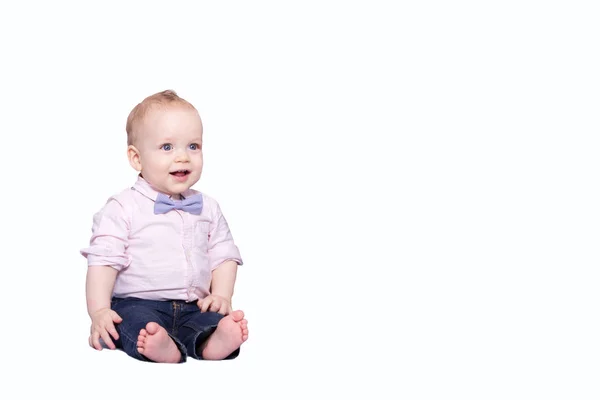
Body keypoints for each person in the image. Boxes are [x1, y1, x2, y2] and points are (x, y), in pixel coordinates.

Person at [80, 90, 248, 363]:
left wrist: (221, 295)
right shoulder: (123, 207)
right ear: (137, 158)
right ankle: (161, 346)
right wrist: (99, 311)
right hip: (137, 303)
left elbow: (224, 254)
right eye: (167, 147)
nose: (183, 157)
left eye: (193, 146)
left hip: (194, 306)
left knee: (210, 320)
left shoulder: (209, 207)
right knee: (131, 323)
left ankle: (211, 342)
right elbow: (103, 261)